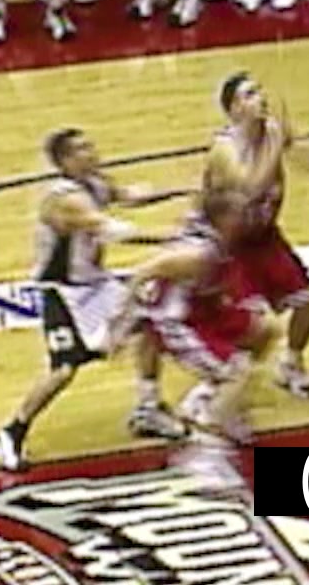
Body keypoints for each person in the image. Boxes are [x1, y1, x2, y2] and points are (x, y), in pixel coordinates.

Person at [0, 128, 188, 470]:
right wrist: (171, 238)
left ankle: (148, 407)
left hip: (97, 284)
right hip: (63, 293)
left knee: (151, 325)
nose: (92, 152)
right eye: (82, 149)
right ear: (65, 161)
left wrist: (182, 189)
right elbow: (111, 230)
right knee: (64, 369)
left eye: (90, 145)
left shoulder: (94, 183)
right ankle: (11, 432)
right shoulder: (64, 200)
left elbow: (130, 195)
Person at [120, 190, 280, 492]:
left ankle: (214, 402)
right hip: (178, 321)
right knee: (237, 372)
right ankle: (205, 451)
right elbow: (143, 274)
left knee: (265, 331)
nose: (249, 218)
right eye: (240, 214)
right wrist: (119, 325)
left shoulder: (226, 237)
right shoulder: (198, 254)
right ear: (223, 219)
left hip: (207, 308)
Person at [199, 74, 309, 399]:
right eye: (251, 94)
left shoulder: (271, 133)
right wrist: (276, 145)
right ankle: (216, 380)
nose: (262, 97)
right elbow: (249, 189)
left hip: (265, 239)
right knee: (253, 325)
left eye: (260, 91)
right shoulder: (224, 148)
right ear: (235, 108)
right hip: (228, 247)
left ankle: (291, 363)